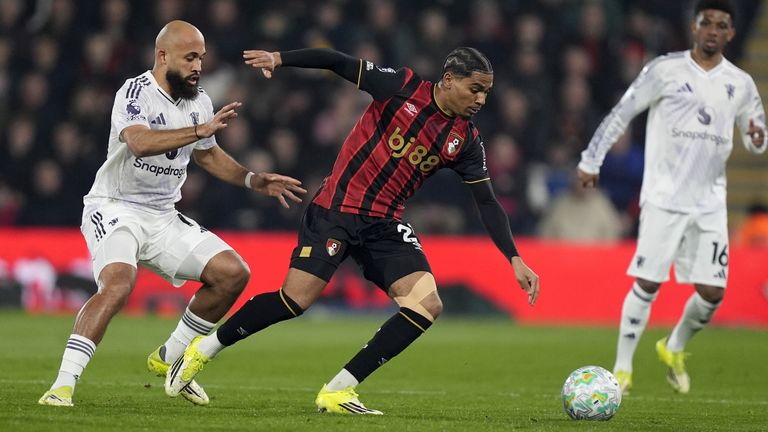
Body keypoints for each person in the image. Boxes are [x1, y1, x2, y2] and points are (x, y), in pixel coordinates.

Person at [164, 46, 540, 414]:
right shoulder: (402, 87)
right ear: (449, 79)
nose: (481, 99)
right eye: (475, 89)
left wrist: (514, 257)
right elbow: (336, 61)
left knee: (427, 306)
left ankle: (339, 390)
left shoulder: (466, 140)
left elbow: (487, 202)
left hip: (384, 224)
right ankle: (201, 350)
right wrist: (280, 59)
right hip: (336, 211)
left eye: (486, 92)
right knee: (294, 301)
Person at [38, 21, 306, 407]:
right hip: (115, 207)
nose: (198, 66)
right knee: (118, 284)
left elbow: (208, 155)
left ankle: (170, 356)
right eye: (190, 57)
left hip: (163, 216)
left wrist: (252, 179)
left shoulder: (199, 101)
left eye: (202, 58)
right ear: (163, 56)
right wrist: (198, 131)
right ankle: (62, 386)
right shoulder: (135, 92)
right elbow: (139, 142)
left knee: (233, 274)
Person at [577, 0, 765, 395]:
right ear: (694, 27)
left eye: (721, 25)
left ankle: (674, 346)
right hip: (664, 197)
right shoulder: (664, 70)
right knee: (647, 282)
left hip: (710, 202)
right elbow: (622, 112)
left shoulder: (741, 83)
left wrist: (757, 136)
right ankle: (622, 369)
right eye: (707, 22)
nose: (713, 30)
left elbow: (756, 137)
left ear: (731, 33)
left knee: (712, 294)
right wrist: (591, 159)